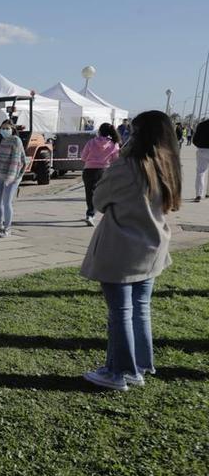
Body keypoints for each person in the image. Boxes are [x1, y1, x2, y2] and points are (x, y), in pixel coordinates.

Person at [81, 110, 182, 391]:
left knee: (121, 312)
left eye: (133, 132)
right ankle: (136, 367)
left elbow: (99, 200)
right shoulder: (168, 164)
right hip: (152, 246)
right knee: (140, 309)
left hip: (122, 248)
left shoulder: (127, 167)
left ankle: (118, 372)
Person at [0, 120, 26, 237]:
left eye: (7, 128)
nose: (4, 130)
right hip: (0, 174)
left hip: (13, 176)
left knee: (6, 202)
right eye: (2, 128)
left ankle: (7, 228)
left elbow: (15, 160)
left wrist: (10, 178)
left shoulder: (16, 141)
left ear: (12, 129)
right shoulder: (2, 141)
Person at [80, 123, 122, 225]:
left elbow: (83, 157)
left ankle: (90, 214)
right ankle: (105, 213)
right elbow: (115, 160)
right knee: (103, 193)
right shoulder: (114, 144)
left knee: (89, 193)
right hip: (104, 171)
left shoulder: (91, 142)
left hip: (89, 170)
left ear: (99, 131)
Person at [192, 118, 209, 202]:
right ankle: (208, 192)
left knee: (200, 172)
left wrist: (200, 145)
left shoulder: (201, 125)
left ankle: (198, 195)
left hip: (202, 150)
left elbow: (194, 140)